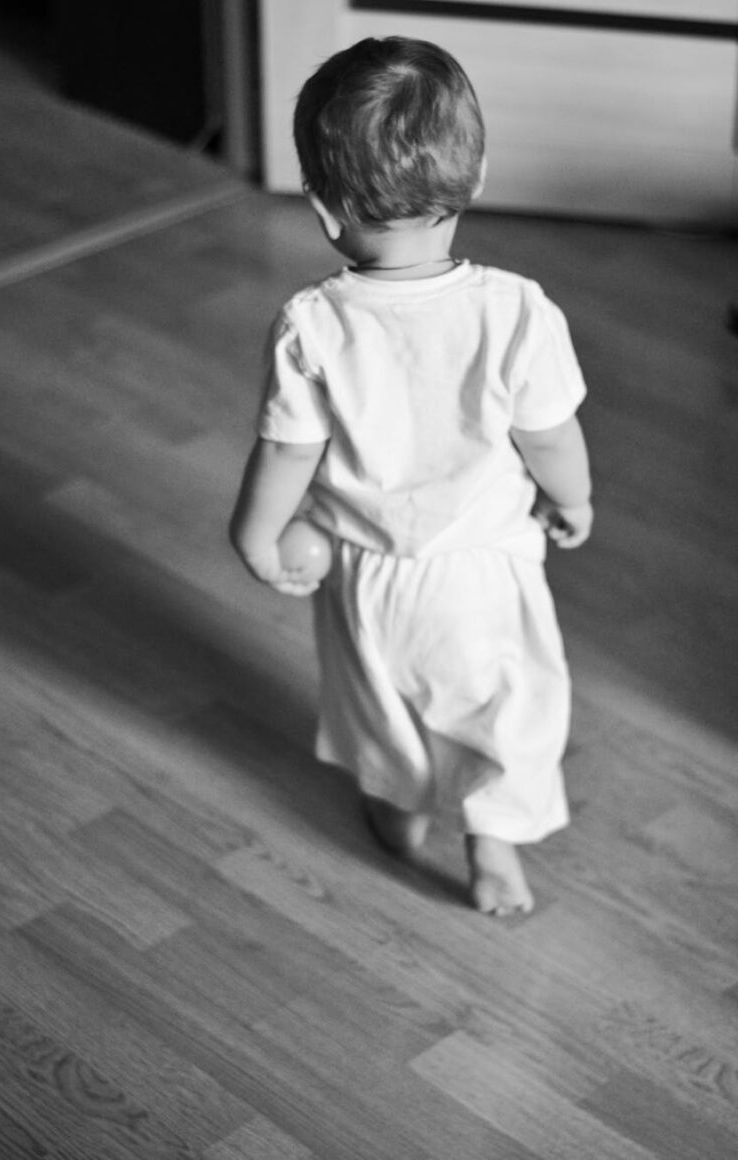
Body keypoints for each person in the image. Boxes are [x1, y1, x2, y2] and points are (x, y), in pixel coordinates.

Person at [230, 36, 593, 916]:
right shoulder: (517, 309)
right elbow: (550, 435)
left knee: (380, 704)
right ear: (474, 177)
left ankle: (399, 815)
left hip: (368, 567)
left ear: (323, 209)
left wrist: (253, 535)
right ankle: (494, 843)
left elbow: (288, 449)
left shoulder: (312, 323)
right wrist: (573, 498)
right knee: (503, 702)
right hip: (487, 567)